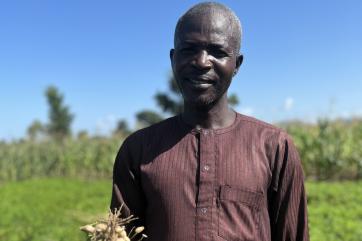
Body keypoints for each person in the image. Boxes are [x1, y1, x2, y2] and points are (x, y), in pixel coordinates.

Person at [110, 2, 309, 241]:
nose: (202, 61)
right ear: (173, 59)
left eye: (217, 51)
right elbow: (119, 235)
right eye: (189, 49)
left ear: (237, 64)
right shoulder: (138, 150)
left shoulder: (275, 147)